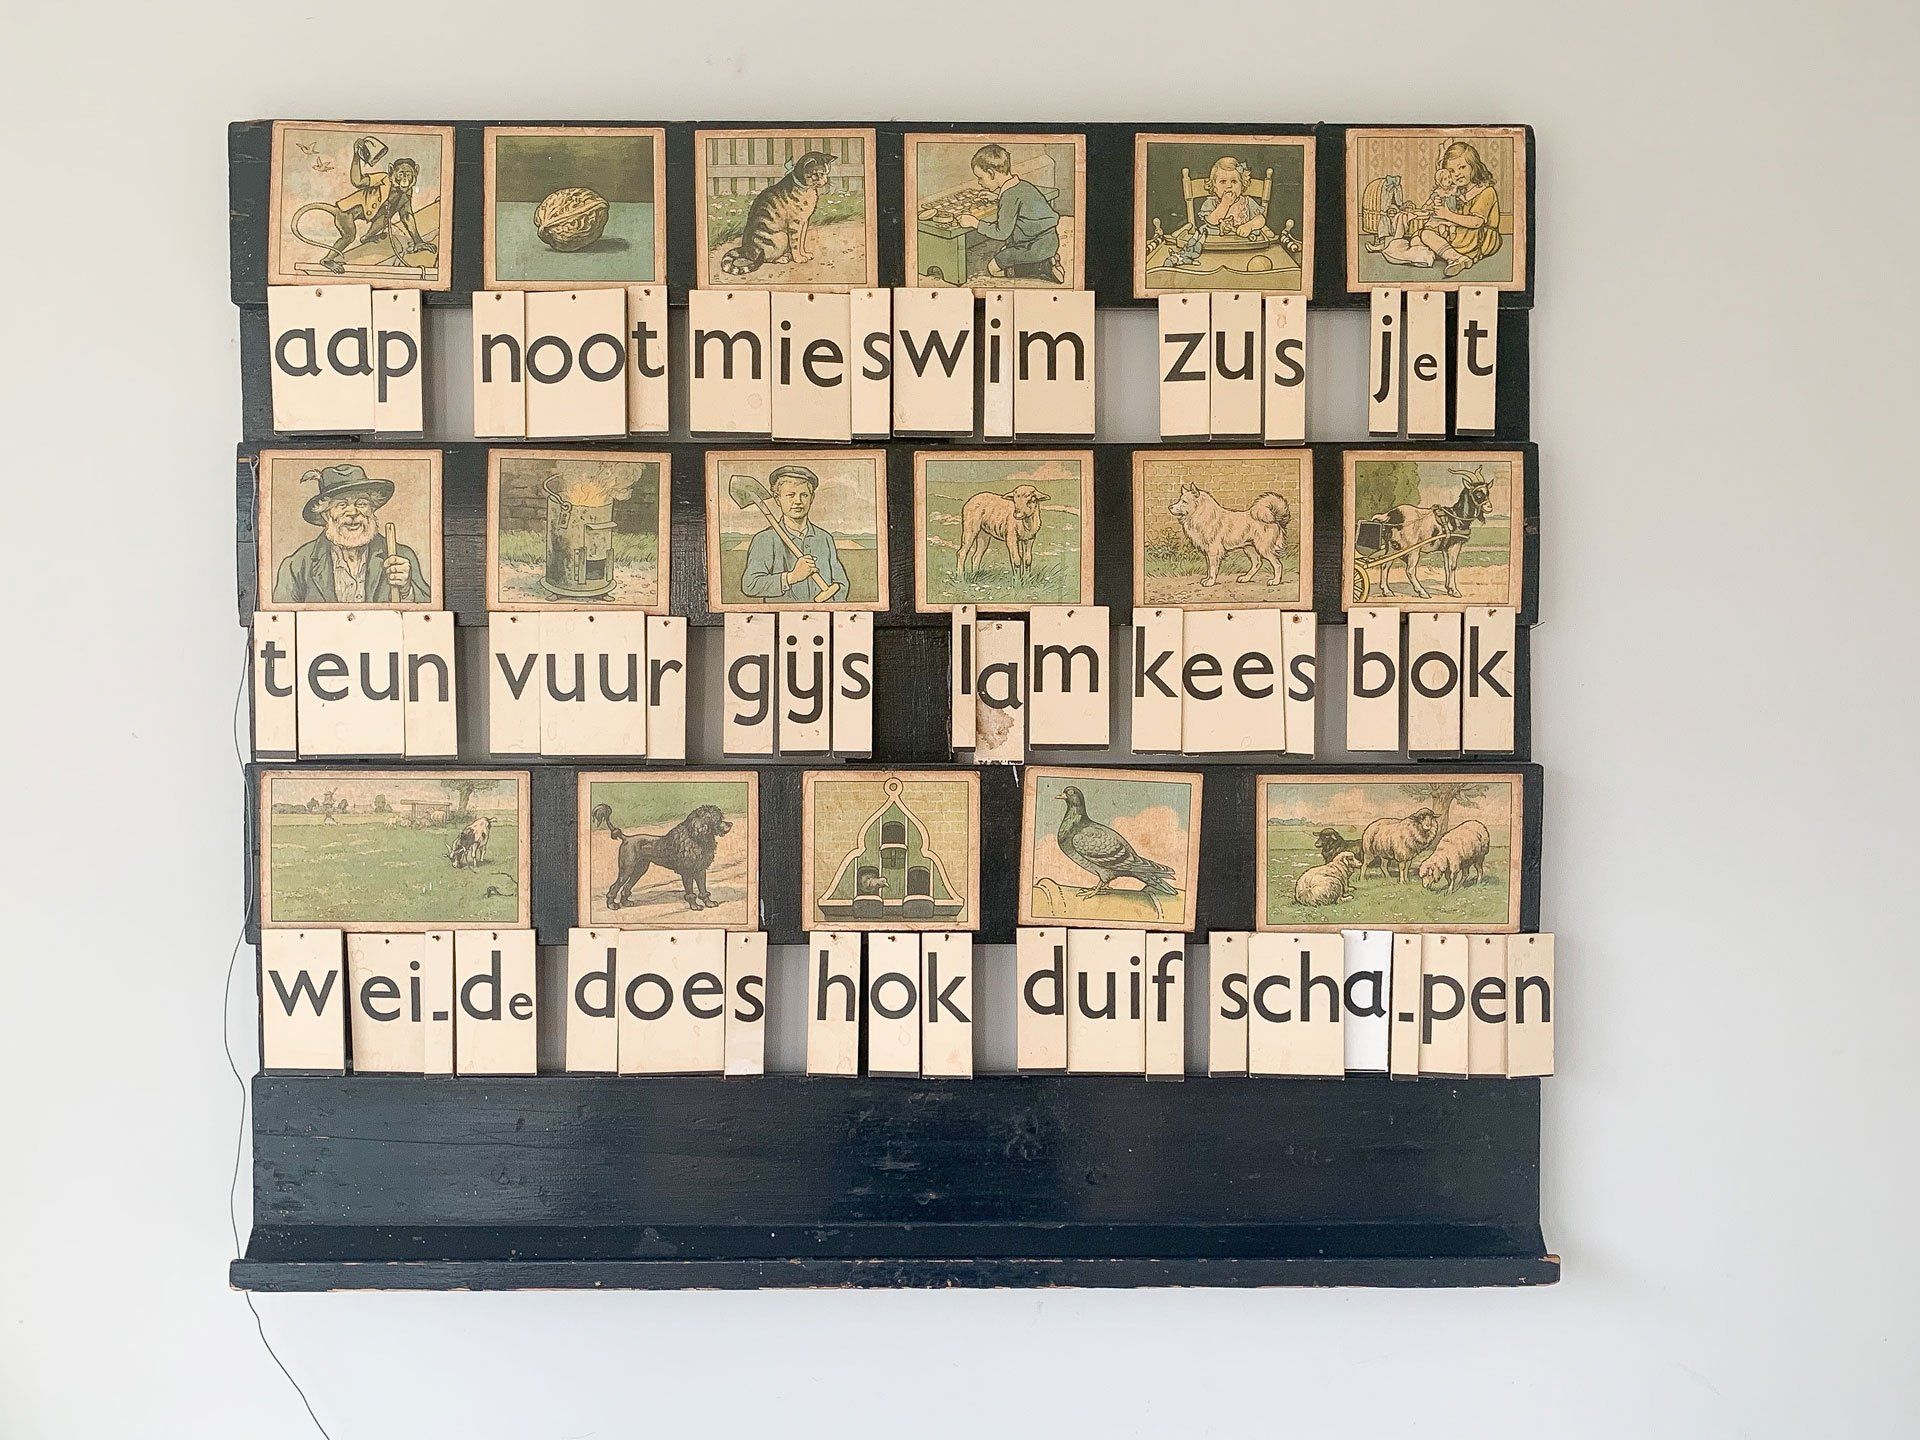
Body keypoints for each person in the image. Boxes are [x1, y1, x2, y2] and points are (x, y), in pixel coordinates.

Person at [271, 462, 429, 604]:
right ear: (326, 514)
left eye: (361, 503)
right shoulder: (298, 564)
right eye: (342, 504)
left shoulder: (400, 557)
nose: (353, 512)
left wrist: (407, 590)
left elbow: (431, 615)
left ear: (372, 509)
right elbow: (279, 620)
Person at [1375, 141, 1503, 279]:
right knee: (1417, 238)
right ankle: (1435, 253)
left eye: (1462, 167)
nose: (1457, 174)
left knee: (1426, 235)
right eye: (1452, 171)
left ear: (1474, 167)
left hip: (1479, 237)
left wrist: (1447, 214)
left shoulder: (1485, 191)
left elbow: (1476, 222)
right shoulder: (1459, 190)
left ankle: (1456, 257)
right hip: (1461, 231)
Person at [308, 140, 436, 274]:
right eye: (401, 174)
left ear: (416, 172)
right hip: (346, 212)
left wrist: (418, 242)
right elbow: (358, 181)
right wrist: (356, 156)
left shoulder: (406, 193)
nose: (405, 179)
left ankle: (367, 237)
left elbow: (407, 216)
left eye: (408, 174)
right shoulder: (384, 179)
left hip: (371, 213)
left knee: (387, 216)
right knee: (349, 236)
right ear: (391, 171)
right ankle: (327, 260)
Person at [739, 465, 850, 603]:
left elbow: (841, 583)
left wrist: (834, 600)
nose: (798, 501)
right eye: (790, 495)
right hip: (782, 614)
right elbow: (750, 585)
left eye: (804, 495)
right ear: (777, 499)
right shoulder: (765, 539)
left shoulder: (825, 538)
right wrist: (791, 577)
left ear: (812, 498)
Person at [956, 143, 1065, 283]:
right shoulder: (1022, 186)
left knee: (993, 269)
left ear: (991, 173)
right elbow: (1019, 203)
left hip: (1033, 246)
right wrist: (998, 197)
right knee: (1005, 250)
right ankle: (1047, 259)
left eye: (980, 177)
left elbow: (1001, 233)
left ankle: (1043, 267)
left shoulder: (1008, 197)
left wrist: (975, 223)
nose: (979, 182)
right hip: (1050, 241)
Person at [1164, 156, 1276, 267]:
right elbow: (1212, 221)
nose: (1229, 186)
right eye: (1223, 181)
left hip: (1243, 248)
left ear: (1242, 185)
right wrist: (1225, 204)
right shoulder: (1211, 203)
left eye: (1234, 181)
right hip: (1211, 250)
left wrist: (1249, 226)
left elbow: (1261, 219)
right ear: (1214, 186)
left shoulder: (1247, 202)